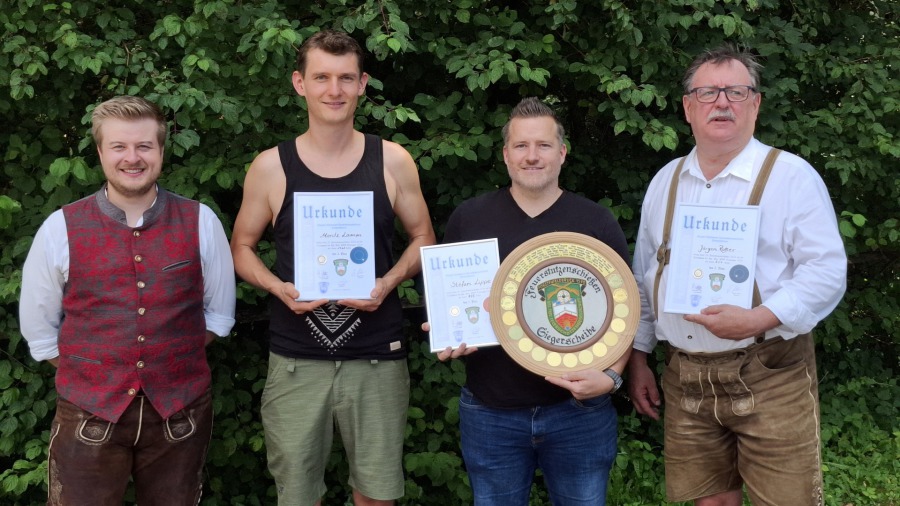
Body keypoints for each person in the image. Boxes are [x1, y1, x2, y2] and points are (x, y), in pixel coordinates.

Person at [627, 45, 847, 506]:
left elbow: (826, 271)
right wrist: (639, 357)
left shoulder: (792, 177)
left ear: (756, 103)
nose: (722, 102)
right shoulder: (665, 181)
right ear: (688, 107)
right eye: (707, 92)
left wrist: (758, 318)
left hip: (769, 372)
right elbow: (643, 275)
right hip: (684, 375)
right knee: (710, 501)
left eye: (736, 92)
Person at [230, 30, 435, 506]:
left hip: (377, 356)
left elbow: (424, 237)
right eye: (321, 77)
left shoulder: (393, 160)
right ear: (299, 83)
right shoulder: (270, 167)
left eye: (345, 78)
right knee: (298, 496)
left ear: (363, 84)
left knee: (377, 495)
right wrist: (277, 287)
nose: (334, 90)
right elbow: (241, 246)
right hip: (296, 359)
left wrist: (388, 281)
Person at [19, 95, 236, 505]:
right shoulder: (60, 228)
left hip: (180, 414)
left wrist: (164, 363)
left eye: (144, 146)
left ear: (161, 151)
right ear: (101, 152)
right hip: (87, 413)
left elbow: (218, 317)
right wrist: (95, 371)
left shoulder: (201, 221)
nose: (132, 158)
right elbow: (40, 333)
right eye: (119, 146)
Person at [435, 97, 631, 505]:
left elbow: (627, 311)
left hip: (578, 411)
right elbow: (448, 299)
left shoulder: (596, 222)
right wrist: (448, 328)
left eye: (543, 145)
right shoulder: (469, 218)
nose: (532, 156)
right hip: (491, 410)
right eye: (521, 146)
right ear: (506, 154)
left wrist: (611, 377)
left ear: (562, 153)